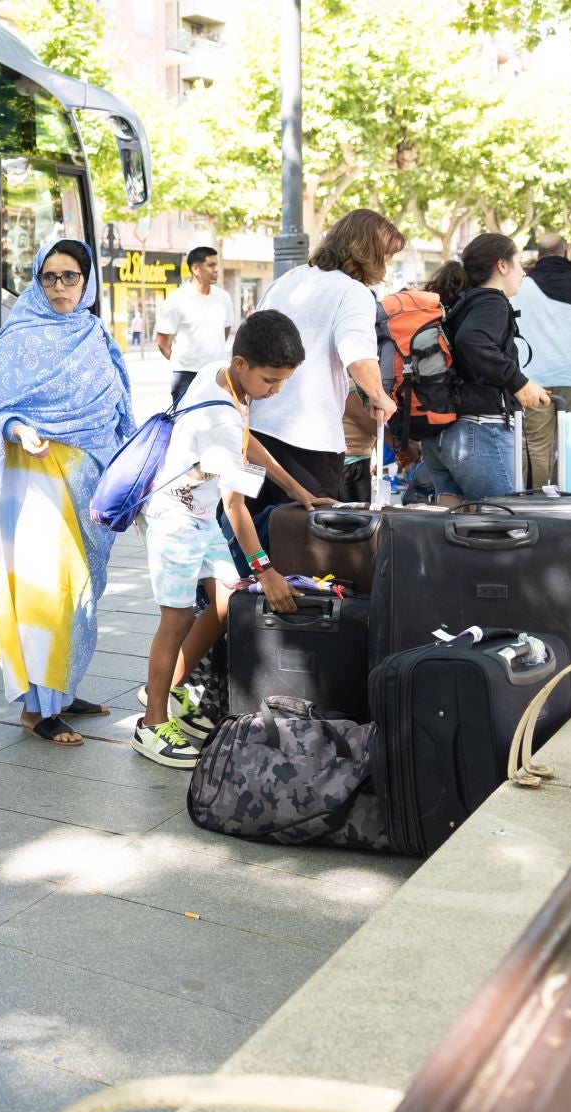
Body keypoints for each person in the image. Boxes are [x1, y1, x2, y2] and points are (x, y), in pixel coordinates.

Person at [0, 238, 136, 746]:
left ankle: (61, 691)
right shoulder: (17, 336)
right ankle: (37, 710)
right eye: (50, 277)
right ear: (38, 279)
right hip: (33, 483)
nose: (60, 287)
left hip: (87, 482)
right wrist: (20, 429)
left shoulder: (94, 333)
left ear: (87, 282)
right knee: (46, 593)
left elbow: (117, 404)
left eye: (71, 277)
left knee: (79, 593)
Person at [133, 312, 318, 768]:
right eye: (271, 379)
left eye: (283, 381)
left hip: (198, 508)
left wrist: (296, 488)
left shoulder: (221, 376)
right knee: (175, 620)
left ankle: (170, 691)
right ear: (241, 363)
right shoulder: (220, 419)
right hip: (172, 515)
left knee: (224, 603)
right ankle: (152, 723)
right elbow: (236, 507)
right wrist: (266, 570)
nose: (276, 389)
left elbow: (245, 440)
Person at [246, 209, 401, 513]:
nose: (387, 265)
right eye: (387, 255)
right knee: (309, 540)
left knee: (257, 536)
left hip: (257, 430)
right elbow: (357, 355)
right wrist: (380, 397)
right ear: (370, 252)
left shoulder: (287, 280)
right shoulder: (353, 292)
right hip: (309, 439)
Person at [420, 234, 553, 503]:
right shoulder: (491, 301)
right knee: (501, 522)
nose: (523, 272)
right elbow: (472, 341)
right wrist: (519, 383)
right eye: (518, 263)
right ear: (502, 266)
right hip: (480, 432)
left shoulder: (462, 301)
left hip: (444, 434)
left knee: (454, 528)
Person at [512, 234, 571, 487]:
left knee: (536, 444)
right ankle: (568, 496)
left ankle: (536, 499)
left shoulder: (522, 285)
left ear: (539, 255)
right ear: (567, 253)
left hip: (533, 380)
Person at [156, 247, 240, 404]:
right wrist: (184, 361)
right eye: (211, 265)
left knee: (217, 422)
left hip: (218, 374)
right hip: (186, 376)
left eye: (217, 265)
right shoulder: (176, 299)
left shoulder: (224, 298)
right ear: (195, 268)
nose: (216, 270)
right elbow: (162, 342)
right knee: (185, 424)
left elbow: (225, 332)